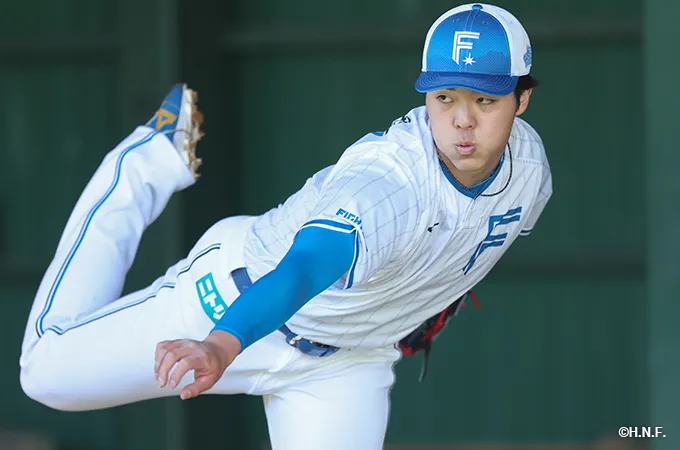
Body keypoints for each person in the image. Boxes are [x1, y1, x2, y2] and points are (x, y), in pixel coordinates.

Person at [19, 3, 552, 449]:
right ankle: (147, 161)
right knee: (45, 374)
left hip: (346, 364)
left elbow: (463, 238)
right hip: (235, 300)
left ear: (521, 100)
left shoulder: (529, 171)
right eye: (445, 98)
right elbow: (303, 269)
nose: (462, 120)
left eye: (484, 100)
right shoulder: (388, 183)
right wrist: (221, 344)